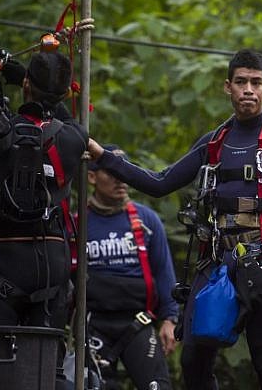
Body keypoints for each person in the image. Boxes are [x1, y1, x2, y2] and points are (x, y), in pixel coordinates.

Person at [88, 49, 262, 389]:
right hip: (215, 265)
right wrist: (104, 157)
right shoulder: (215, 140)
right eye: (241, 82)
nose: (248, 90)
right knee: (193, 359)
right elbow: (160, 182)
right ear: (228, 87)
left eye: (256, 83)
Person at [0, 50, 86, 387]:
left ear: (26, 86)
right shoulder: (73, 137)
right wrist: (26, 76)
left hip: (6, 267)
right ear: (66, 94)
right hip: (52, 269)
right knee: (45, 373)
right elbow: (62, 114)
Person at [85, 145, 179, 390]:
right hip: (93, 324)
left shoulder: (146, 220)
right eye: (112, 174)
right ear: (92, 177)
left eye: (125, 174)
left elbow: (164, 273)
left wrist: (170, 320)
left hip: (138, 322)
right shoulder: (79, 223)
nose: (121, 181)